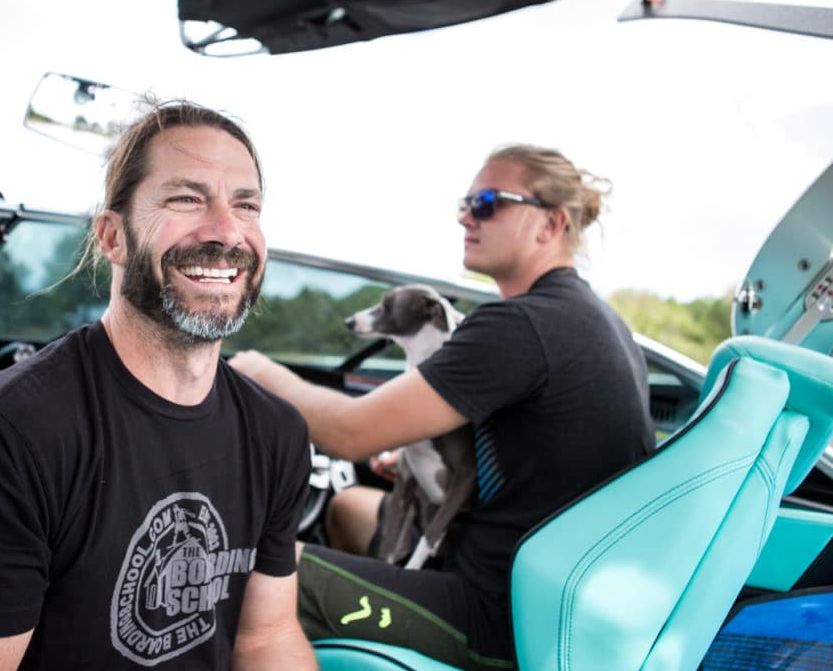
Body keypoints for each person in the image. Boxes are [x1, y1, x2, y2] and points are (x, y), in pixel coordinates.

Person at [0, 98, 317, 670]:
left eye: (246, 205)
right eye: (186, 198)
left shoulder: (276, 433)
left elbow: (266, 637)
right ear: (112, 238)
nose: (227, 231)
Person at [229, 144, 654, 669]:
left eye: (488, 203)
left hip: (499, 618)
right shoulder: (597, 321)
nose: (465, 217)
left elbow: (349, 432)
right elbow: (533, 459)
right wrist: (417, 462)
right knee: (346, 506)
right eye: (466, 202)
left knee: (247, 573)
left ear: (551, 224)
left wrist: (255, 371)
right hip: (559, 607)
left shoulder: (522, 325)